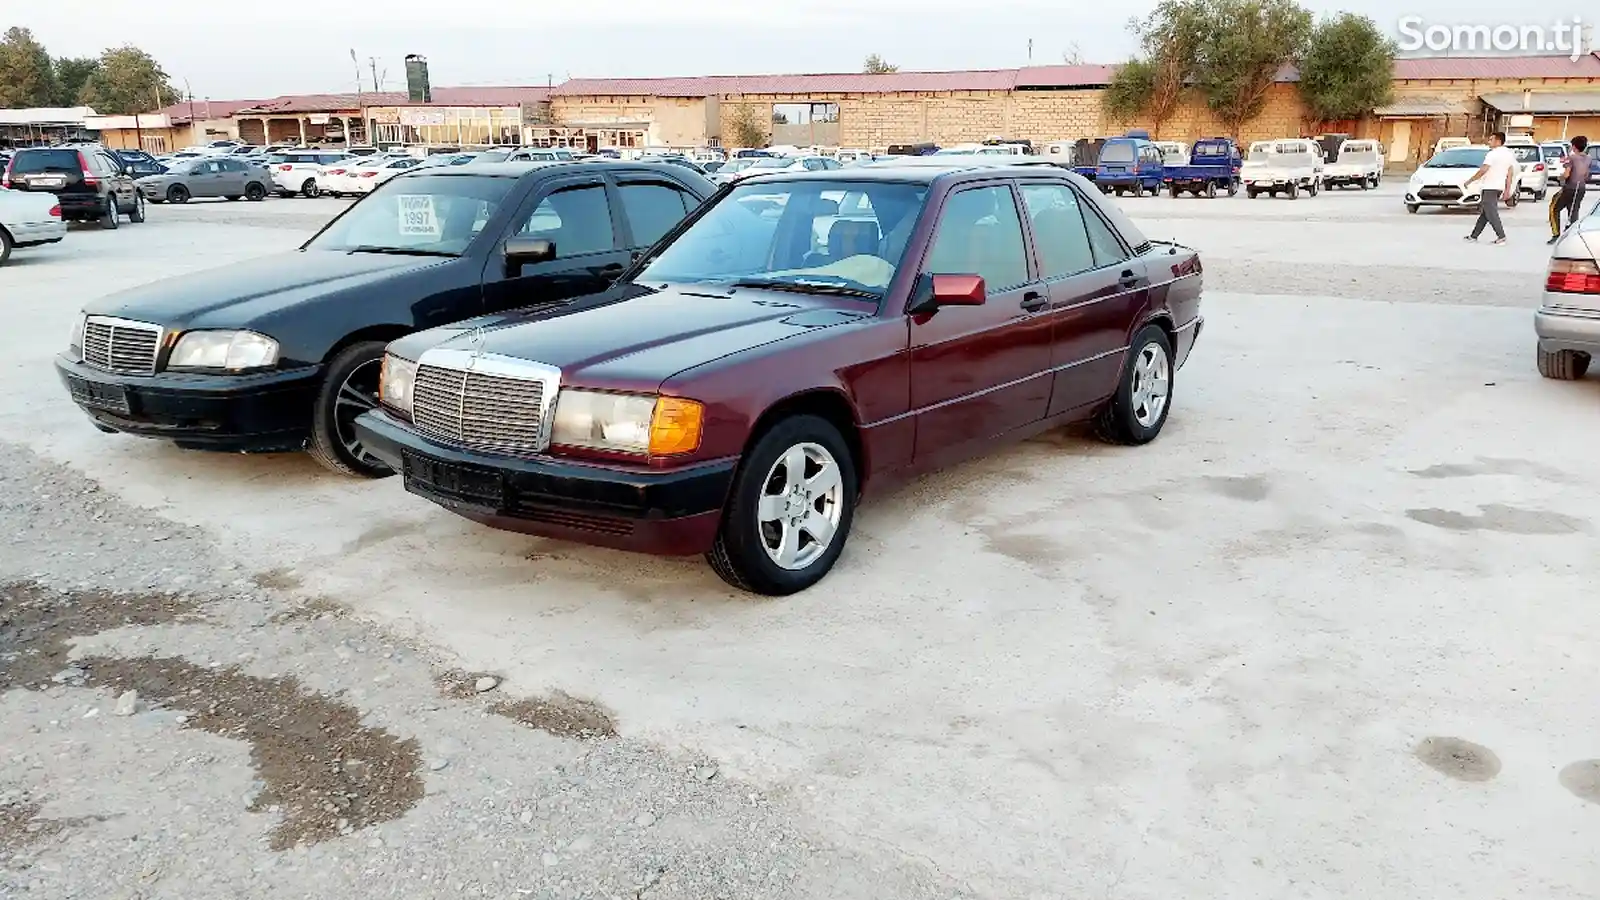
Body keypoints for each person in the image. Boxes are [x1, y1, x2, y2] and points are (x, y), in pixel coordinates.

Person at [1463, 131, 1518, 245]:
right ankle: (1474, 235)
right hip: (1498, 187)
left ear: (1498, 141)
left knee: (1491, 213)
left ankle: (1501, 236)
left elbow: (1483, 169)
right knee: (1485, 212)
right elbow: (1510, 172)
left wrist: (1470, 180)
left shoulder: (1492, 154)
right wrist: (1507, 189)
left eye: (1491, 139)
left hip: (1490, 186)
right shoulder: (1508, 154)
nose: (1489, 141)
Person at [1548, 136, 1591, 244]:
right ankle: (1573, 236)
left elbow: (1567, 174)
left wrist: (1560, 178)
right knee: (1573, 211)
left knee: (1554, 208)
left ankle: (1556, 234)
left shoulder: (1572, 157)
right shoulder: (1588, 158)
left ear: (1574, 147)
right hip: (1581, 188)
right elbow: (1586, 175)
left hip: (1569, 188)